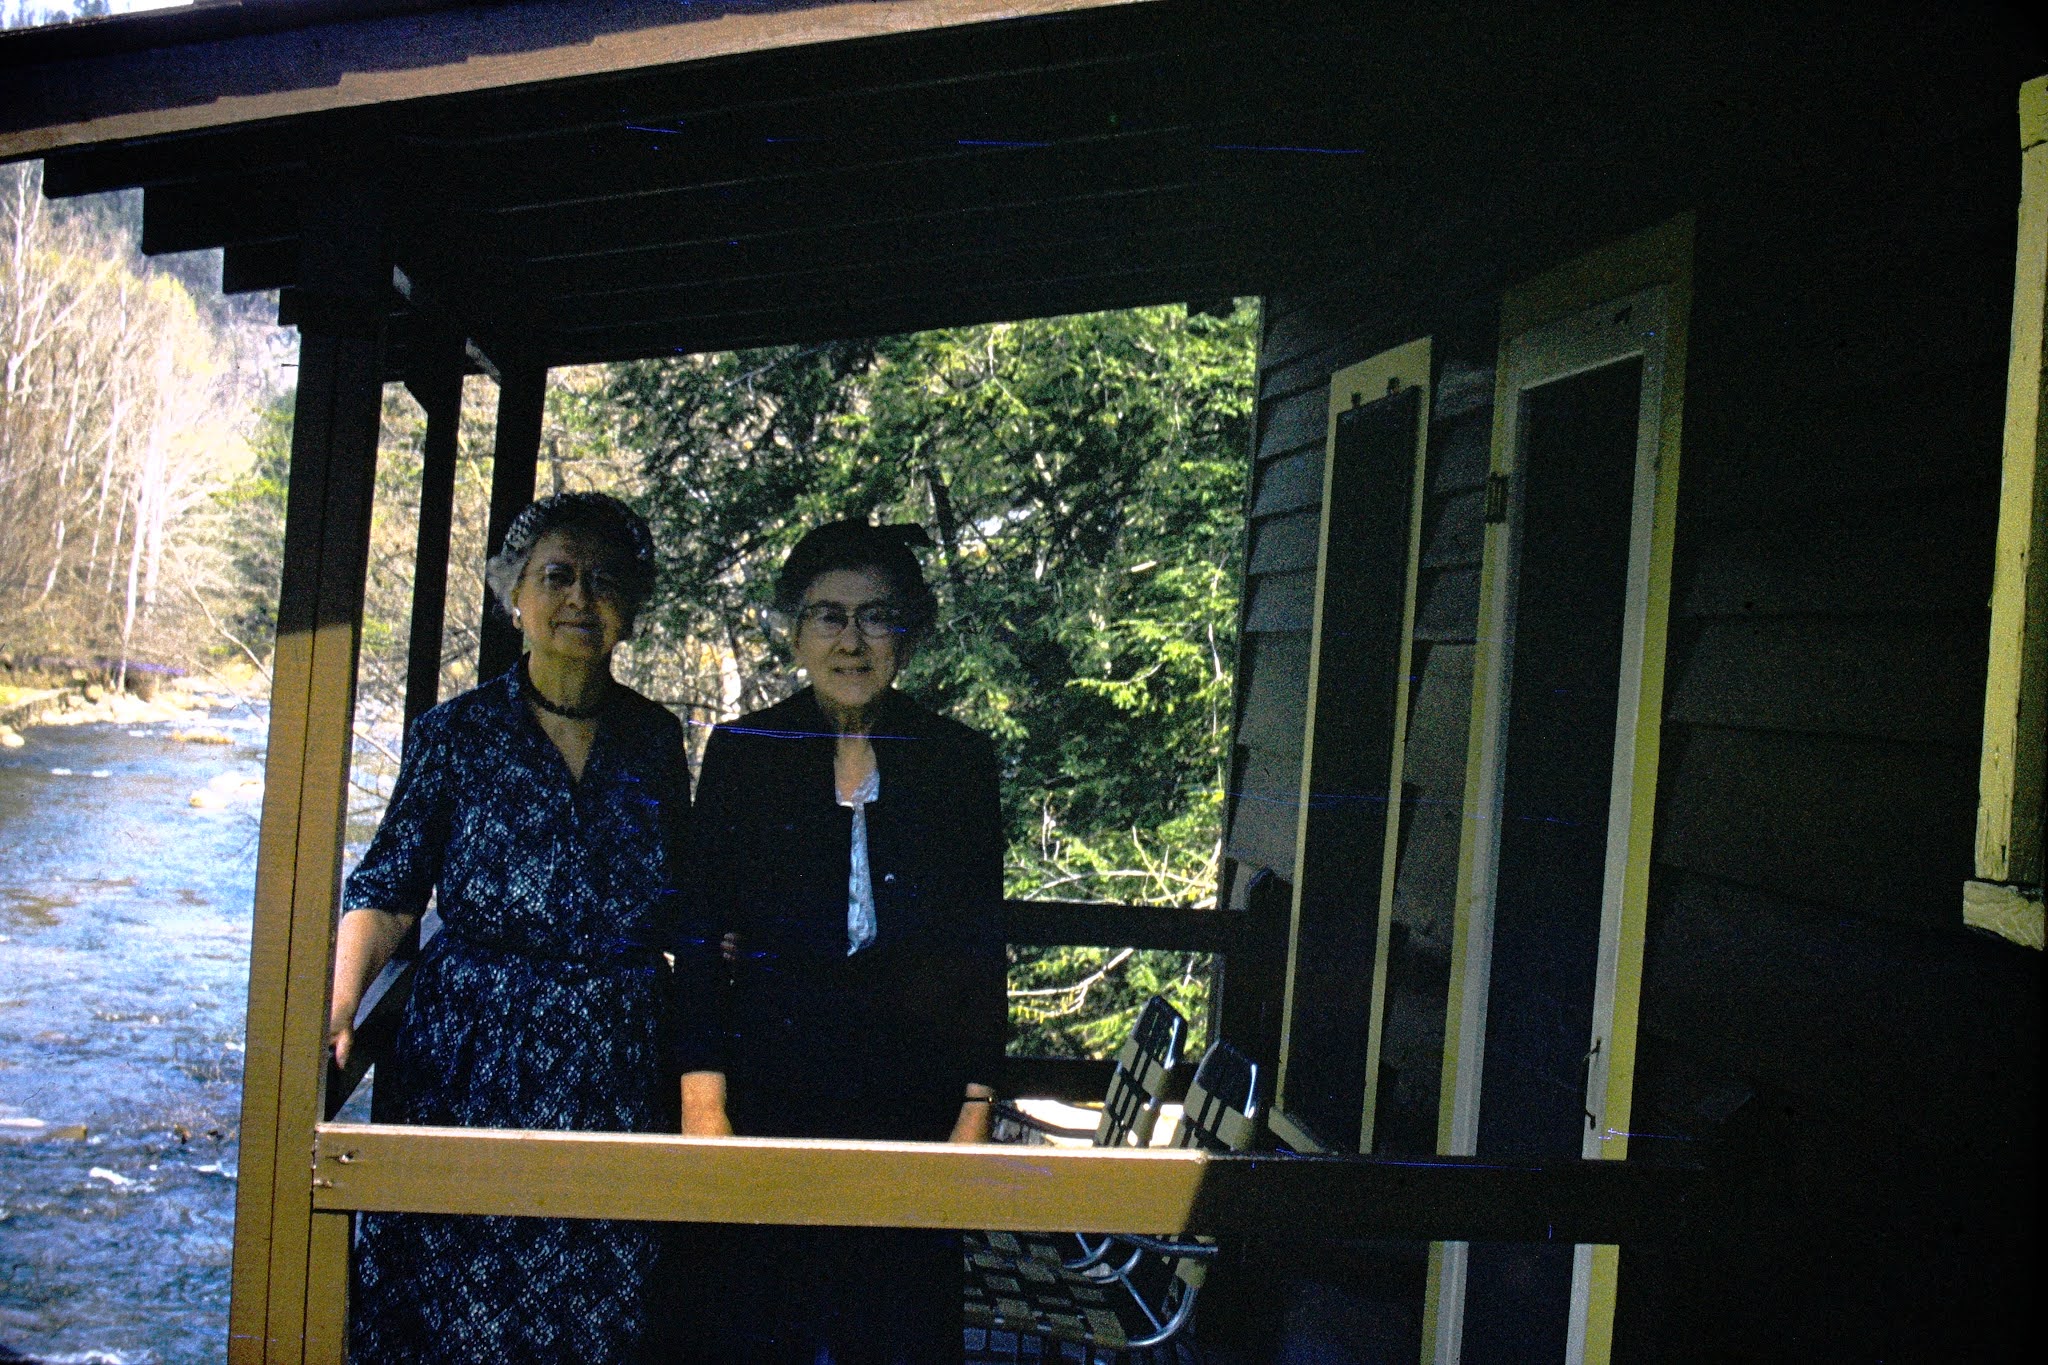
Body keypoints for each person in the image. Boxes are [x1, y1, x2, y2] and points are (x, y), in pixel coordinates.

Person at [327, 492, 724, 1364]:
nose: (582, 596)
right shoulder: (455, 734)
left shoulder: (656, 738)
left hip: (615, 1067)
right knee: (454, 1298)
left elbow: (684, 898)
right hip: (471, 1060)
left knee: (602, 1303)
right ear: (516, 596)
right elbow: (389, 891)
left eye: (605, 580)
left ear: (631, 609)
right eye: (559, 575)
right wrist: (342, 1002)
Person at [686, 519, 1007, 1365]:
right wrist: (705, 1104)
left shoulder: (957, 762)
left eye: (877, 615)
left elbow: (982, 949)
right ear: (794, 631)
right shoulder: (744, 752)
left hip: (911, 1100)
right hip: (771, 1097)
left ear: (908, 631)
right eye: (829, 615)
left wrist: (974, 1108)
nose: (853, 640)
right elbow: (697, 933)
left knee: (899, 1330)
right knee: (760, 1329)